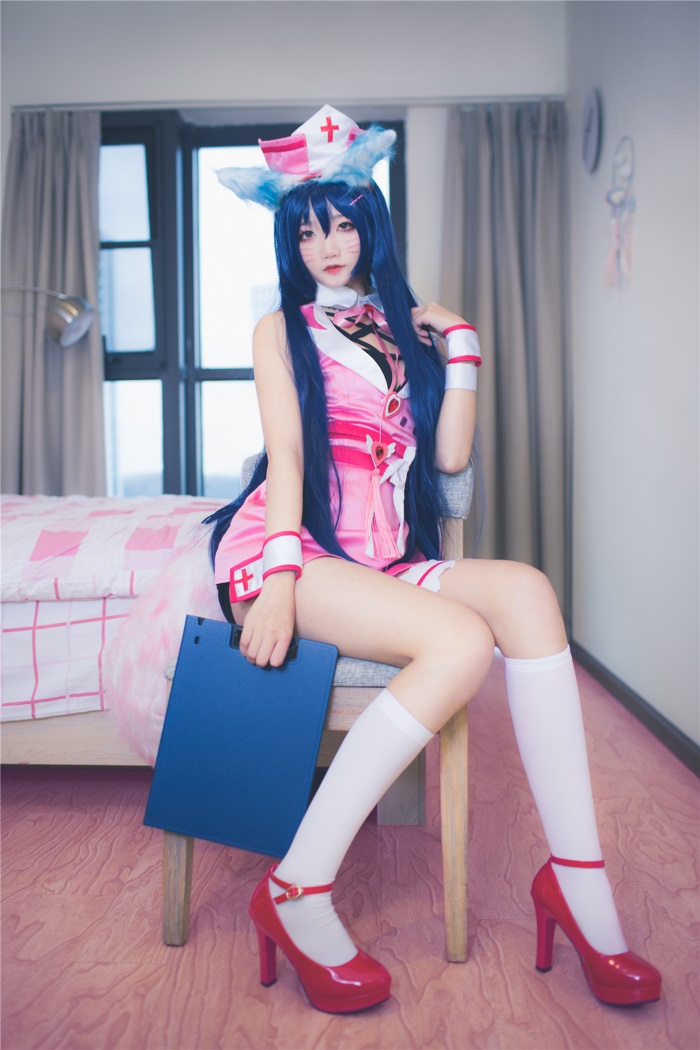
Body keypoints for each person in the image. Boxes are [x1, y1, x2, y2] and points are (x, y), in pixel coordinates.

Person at [206, 105, 661, 1014]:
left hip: (380, 559)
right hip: (289, 550)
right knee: (458, 641)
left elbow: (447, 459)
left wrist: (461, 347)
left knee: (526, 592)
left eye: (341, 225)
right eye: (306, 232)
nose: (326, 247)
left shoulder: (401, 326)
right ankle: (295, 888)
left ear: (370, 222)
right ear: (290, 243)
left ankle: (576, 879)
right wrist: (281, 585)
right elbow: (286, 459)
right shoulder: (279, 330)